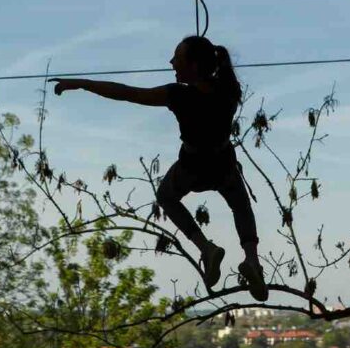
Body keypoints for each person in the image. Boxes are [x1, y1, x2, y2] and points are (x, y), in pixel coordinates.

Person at [48, 36, 269, 301]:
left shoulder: (179, 95)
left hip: (193, 167)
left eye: (178, 57)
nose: (171, 62)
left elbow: (127, 93)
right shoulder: (229, 90)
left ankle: (207, 248)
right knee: (241, 206)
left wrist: (81, 84)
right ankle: (252, 260)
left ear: (194, 65)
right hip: (223, 163)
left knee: (166, 196)